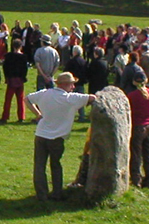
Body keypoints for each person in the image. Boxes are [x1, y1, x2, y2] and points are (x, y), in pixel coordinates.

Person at [24, 72, 95, 201]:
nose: (73, 87)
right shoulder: (70, 99)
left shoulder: (45, 93)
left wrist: (38, 114)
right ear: (65, 85)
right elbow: (92, 98)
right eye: (71, 84)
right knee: (55, 165)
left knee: (39, 166)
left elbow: (27, 99)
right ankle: (57, 193)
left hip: (41, 134)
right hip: (57, 138)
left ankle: (41, 194)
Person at [127, 71, 149, 188]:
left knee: (136, 155)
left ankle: (136, 180)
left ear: (134, 82)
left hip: (137, 126)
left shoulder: (132, 96)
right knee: (148, 154)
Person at [1, 39, 28, 122]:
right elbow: (25, 69)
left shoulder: (8, 56)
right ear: (21, 46)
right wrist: (23, 77)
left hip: (11, 79)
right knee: (20, 99)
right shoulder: (23, 57)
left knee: (8, 99)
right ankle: (21, 117)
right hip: (20, 79)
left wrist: (6, 77)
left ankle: (5, 116)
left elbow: (5, 68)